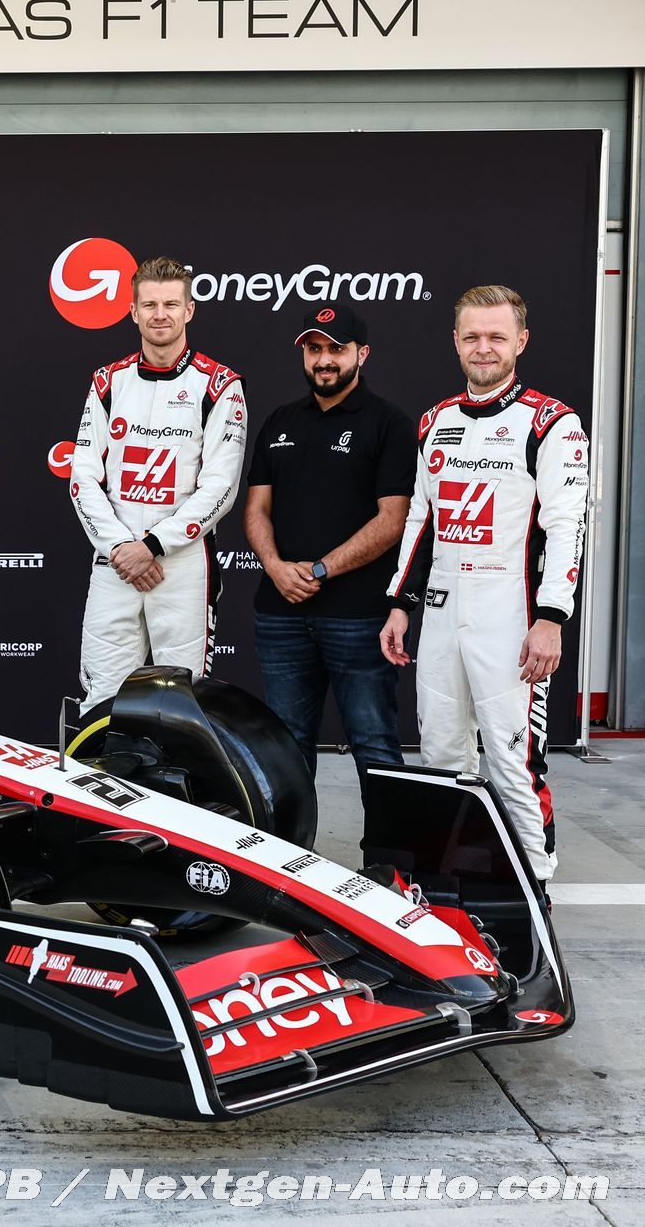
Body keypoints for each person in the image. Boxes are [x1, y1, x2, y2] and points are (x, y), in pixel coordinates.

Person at [380, 285, 590, 883]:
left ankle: (535, 884)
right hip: (444, 607)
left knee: (511, 757)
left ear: (521, 341)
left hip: (511, 610)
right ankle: (449, 879)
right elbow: (421, 522)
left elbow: (566, 527)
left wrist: (551, 618)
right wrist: (400, 604)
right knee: (441, 754)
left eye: (497, 336)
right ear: (455, 341)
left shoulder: (552, 423)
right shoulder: (435, 421)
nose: (483, 348)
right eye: (472, 336)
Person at [242, 303, 415, 823]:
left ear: (362, 354)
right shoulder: (280, 420)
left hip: (358, 616)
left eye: (337, 349)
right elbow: (256, 509)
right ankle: (286, 854)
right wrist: (275, 566)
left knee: (374, 743)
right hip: (281, 613)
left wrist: (319, 570)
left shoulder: (389, 423)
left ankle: (388, 859)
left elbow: (393, 520)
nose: (324, 360)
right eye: (314, 349)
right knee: (285, 746)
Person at [70, 256, 248, 711]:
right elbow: (83, 478)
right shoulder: (108, 382)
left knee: (181, 702)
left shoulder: (219, 385)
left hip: (182, 566)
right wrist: (121, 548)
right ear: (133, 312)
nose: (160, 315)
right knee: (103, 696)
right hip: (115, 563)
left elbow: (221, 488)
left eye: (171, 304)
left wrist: (151, 546)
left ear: (189, 310)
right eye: (149, 305)